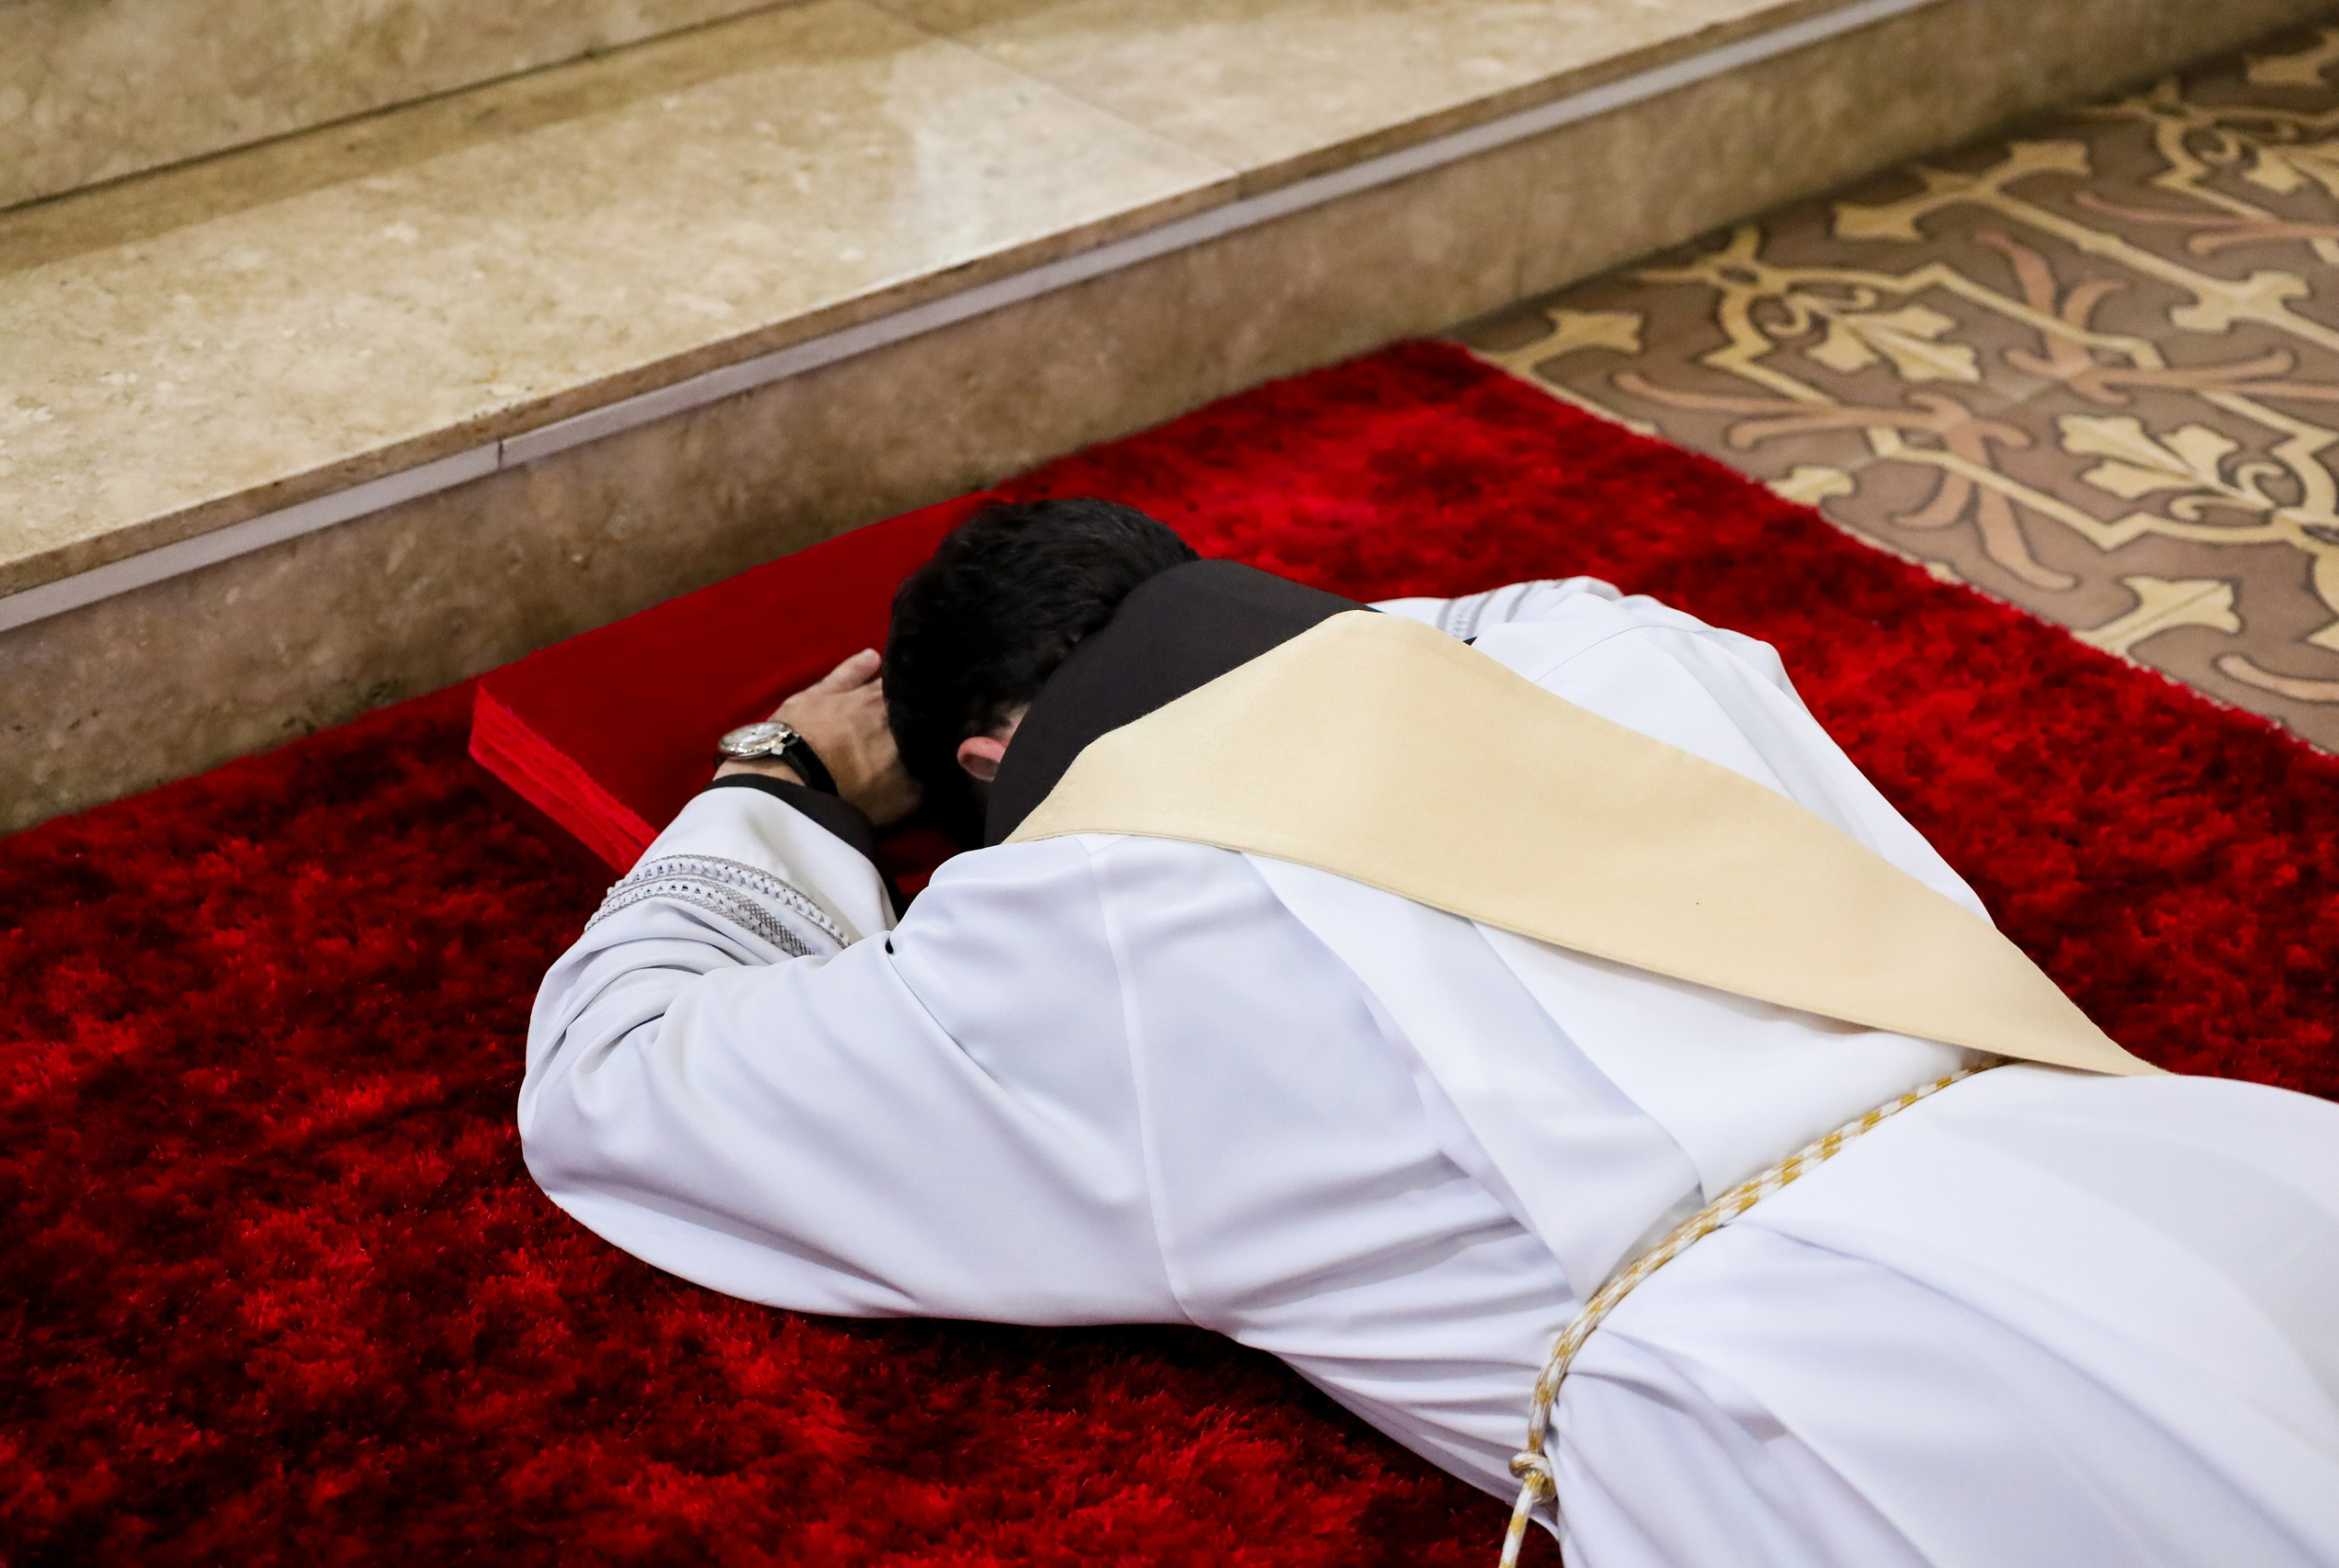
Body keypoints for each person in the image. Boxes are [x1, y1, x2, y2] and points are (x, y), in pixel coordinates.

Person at [524, 499, 2339, 1567]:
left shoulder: (1065, 928)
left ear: (984, 761)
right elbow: (1384, 658)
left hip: (1852, 1411)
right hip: (2190, 1174)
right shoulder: (1603, 640)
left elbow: (626, 1084)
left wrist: (783, 784)